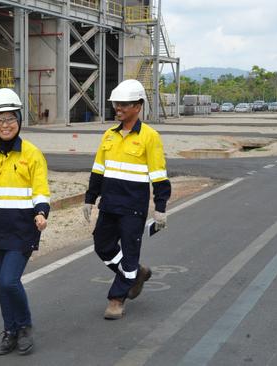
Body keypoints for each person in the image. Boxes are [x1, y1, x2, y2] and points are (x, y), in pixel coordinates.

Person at [0, 88, 50, 356]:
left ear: (19, 120)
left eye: (10, 119)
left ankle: (24, 326)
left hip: (24, 228)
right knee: (2, 284)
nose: (5, 125)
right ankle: (10, 331)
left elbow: (41, 190)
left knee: (8, 281)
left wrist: (41, 213)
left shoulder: (32, 154)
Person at [83, 79, 171, 320]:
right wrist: (90, 198)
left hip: (133, 207)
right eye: (116, 104)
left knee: (130, 253)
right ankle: (136, 273)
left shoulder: (149, 137)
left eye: (124, 104)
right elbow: (98, 170)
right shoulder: (109, 136)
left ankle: (116, 299)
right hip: (109, 204)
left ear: (138, 106)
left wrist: (160, 208)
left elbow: (159, 175)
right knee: (102, 246)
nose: (118, 108)